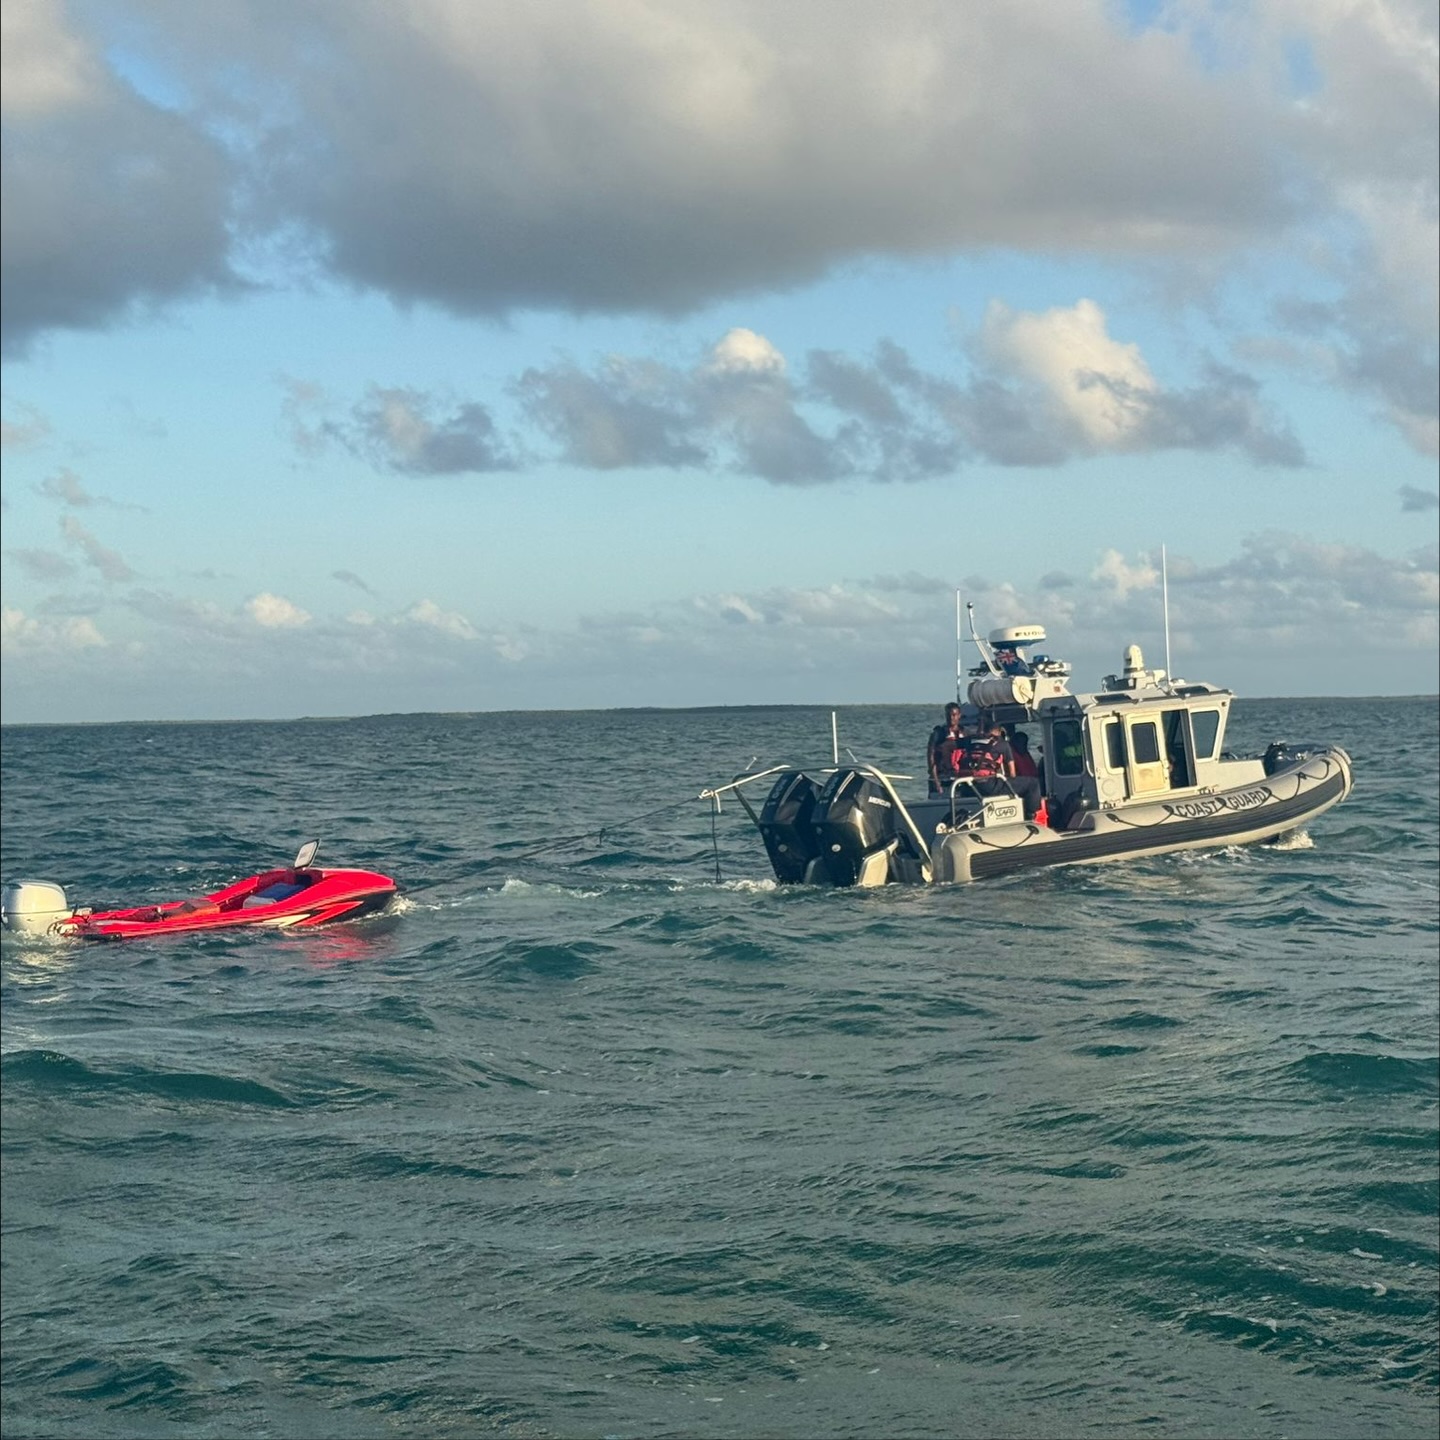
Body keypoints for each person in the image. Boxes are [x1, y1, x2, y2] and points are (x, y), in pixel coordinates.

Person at [927, 702, 964, 794]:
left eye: (954, 715)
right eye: (949, 715)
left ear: (959, 715)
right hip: (941, 777)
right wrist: (936, 781)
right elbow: (930, 758)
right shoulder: (937, 734)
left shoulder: (964, 733)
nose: (951, 718)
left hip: (959, 778)